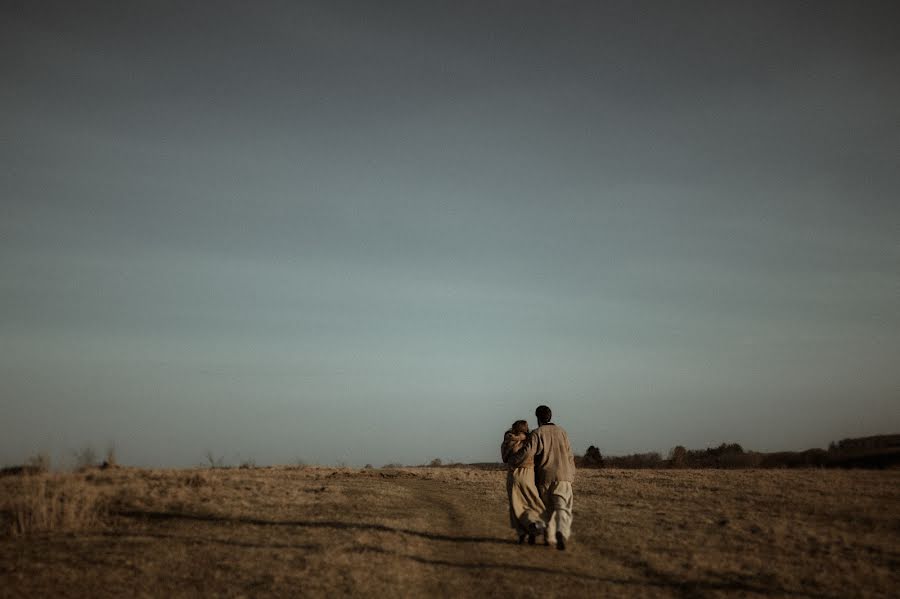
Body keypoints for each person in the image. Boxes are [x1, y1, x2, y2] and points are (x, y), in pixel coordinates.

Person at [510, 405, 576, 550]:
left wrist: (513, 461)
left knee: (546, 510)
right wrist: (571, 475)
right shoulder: (562, 432)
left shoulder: (537, 433)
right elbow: (570, 456)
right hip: (563, 476)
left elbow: (527, 453)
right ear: (550, 416)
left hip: (544, 476)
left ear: (538, 418)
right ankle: (561, 533)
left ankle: (549, 537)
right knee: (563, 508)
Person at [500, 419, 546, 544]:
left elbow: (504, 458)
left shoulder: (509, 440)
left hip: (513, 474)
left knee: (516, 506)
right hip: (528, 474)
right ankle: (536, 525)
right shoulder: (531, 439)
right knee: (531, 503)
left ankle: (522, 533)